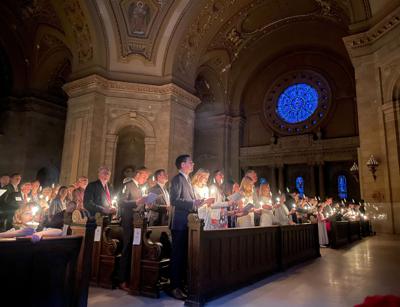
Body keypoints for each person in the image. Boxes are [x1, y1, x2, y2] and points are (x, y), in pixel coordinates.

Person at [169, 155, 207, 300]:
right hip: (179, 223)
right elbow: (174, 200)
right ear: (183, 165)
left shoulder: (187, 181)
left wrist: (197, 203)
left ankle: (182, 284)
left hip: (188, 222)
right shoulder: (177, 179)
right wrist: (192, 203)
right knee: (177, 256)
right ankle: (174, 287)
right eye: (190, 162)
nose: (193, 163)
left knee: (185, 255)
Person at [118, 166, 149, 291]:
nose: (146, 179)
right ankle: (122, 279)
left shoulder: (139, 188)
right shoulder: (129, 185)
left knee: (135, 249)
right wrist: (137, 202)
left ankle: (133, 277)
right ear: (138, 174)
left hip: (138, 221)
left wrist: (146, 203)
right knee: (127, 249)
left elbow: (139, 204)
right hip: (128, 221)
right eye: (144, 176)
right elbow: (121, 202)